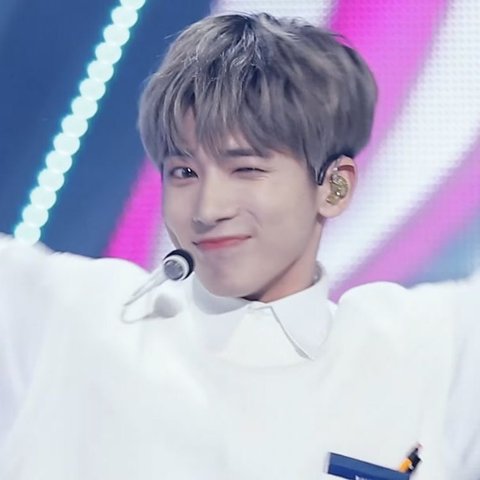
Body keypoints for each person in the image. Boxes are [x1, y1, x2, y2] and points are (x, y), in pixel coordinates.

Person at [0, 12, 479, 480]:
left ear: (333, 187)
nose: (208, 208)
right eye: (184, 172)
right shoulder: (68, 316)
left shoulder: (424, 351)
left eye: (245, 169)